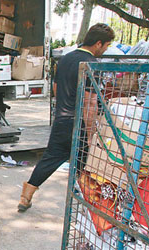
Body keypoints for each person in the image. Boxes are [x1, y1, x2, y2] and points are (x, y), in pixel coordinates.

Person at [18, 23, 115, 212]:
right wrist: (89, 133)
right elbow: (90, 102)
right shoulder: (91, 65)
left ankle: (25, 196)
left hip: (62, 119)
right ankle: (91, 203)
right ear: (98, 44)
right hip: (78, 121)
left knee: (51, 158)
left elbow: (55, 89)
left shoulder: (65, 59)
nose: (105, 50)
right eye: (106, 46)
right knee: (87, 162)